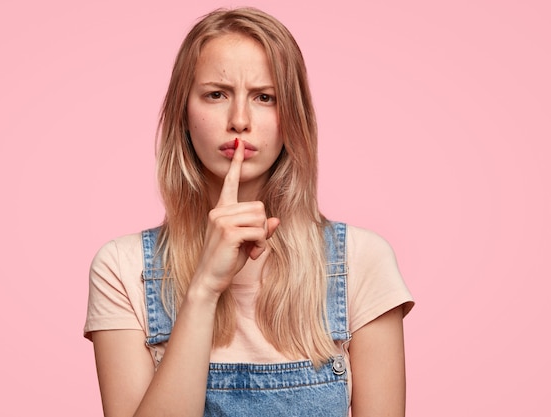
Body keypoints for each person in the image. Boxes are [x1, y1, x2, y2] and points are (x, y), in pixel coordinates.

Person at [84, 7, 414, 417]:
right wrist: (203, 290)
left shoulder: (360, 261)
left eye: (264, 97)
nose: (239, 120)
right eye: (216, 94)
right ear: (184, 115)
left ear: (292, 117)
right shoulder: (122, 268)